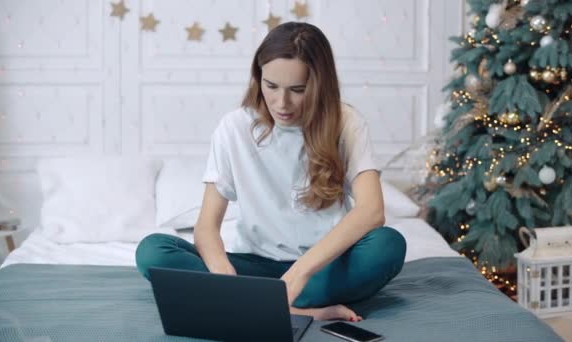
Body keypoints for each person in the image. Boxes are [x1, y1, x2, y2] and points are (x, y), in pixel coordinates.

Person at [136, 21, 406, 322]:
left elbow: (371, 211)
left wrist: (300, 273)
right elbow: (206, 227)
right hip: (253, 266)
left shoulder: (347, 123)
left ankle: (250, 303)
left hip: (322, 268)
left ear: (319, 85)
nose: (282, 103)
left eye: (298, 90)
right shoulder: (234, 127)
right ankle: (300, 311)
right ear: (258, 78)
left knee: (387, 246)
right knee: (153, 251)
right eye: (271, 86)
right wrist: (224, 276)